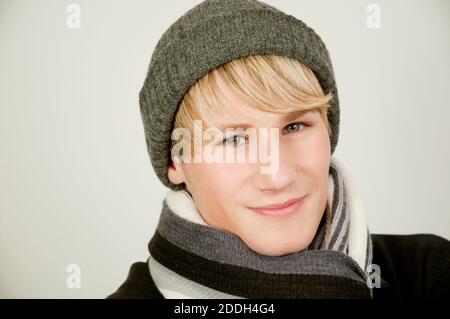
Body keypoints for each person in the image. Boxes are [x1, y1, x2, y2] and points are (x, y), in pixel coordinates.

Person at [108, 0, 450, 299]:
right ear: (175, 161)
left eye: (295, 126)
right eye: (233, 140)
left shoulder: (427, 271)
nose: (278, 175)